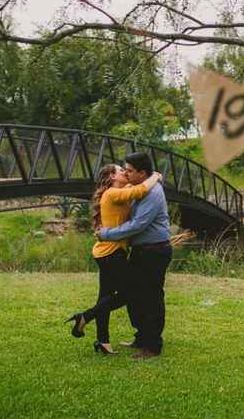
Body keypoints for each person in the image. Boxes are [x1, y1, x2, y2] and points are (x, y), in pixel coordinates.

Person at [65, 163, 161, 354]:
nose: (125, 173)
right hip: (111, 253)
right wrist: (155, 176)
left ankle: (102, 341)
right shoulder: (111, 193)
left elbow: (134, 189)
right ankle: (85, 316)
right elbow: (141, 189)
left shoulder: (119, 190)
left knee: (106, 297)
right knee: (130, 293)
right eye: (120, 171)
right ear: (111, 176)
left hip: (108, 251)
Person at [98, 152, 172, 359]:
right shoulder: (140, 188)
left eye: (130, 171)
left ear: (142, 173)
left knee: (151, 297)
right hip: (141, 250)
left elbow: (138, 225)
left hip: (155, 251)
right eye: (125, 170)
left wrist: (107, 234)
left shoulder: (154, 192)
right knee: (134, 296)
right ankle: (141, 337)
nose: (126, 174)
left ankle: (152, 346)